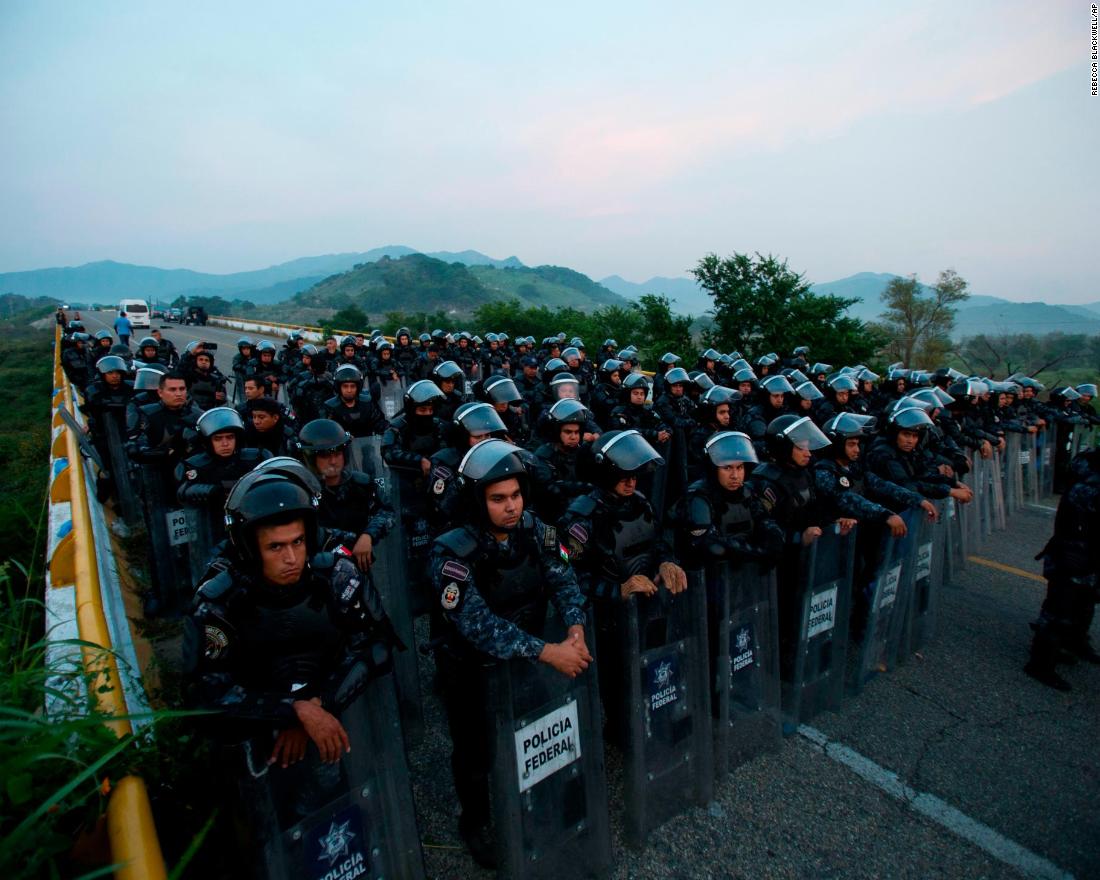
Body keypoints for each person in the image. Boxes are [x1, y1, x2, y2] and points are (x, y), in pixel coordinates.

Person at [182, 470, 399, 826]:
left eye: (298, 542)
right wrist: (292, 712)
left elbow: (376, 646)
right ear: (250, 547)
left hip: (335, 726)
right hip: (254, 753)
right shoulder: (219, 602)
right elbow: (206, 694)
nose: (291, 558)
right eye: (275, 547)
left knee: (338, 816)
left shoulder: (334, 576)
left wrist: (318, 705)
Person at [430, 439, 591, 867]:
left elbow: (563, 576)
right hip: (472, 669)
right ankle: (477, 822)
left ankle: (536, 798)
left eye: (516, 495)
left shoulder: (537, 528)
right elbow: (479, 625)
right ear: (477, 500)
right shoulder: (450, 552)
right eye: (498, 498)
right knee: (475, 753)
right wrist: (549, 653)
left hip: (530, 659)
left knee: (535, 731)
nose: (510, 506)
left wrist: (575, 625)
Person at [1025, 448, 1100, 690]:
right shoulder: (1088, 482)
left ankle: (1073, 643)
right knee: (1059, 609)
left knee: (1084, 605)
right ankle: (1041, 663)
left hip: (1086, 557)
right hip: (1073, 555)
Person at [296, 419, 396, 571]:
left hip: (358, 569)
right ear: (311, 458)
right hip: (316, 573)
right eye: (324, 456)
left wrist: (368, 535)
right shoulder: (301, 493)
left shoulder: (361, 484)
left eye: (337, 453)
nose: (333, 461)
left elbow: (386, 511)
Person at [176, 407, 268, 541]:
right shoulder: (196, 465)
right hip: (213, 526)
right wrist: (210, 491)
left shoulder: (256, 458)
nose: (225, 444)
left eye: (230, 437)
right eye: (218, 439)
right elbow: (183, 492)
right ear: (208, 441)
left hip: (252, 520)